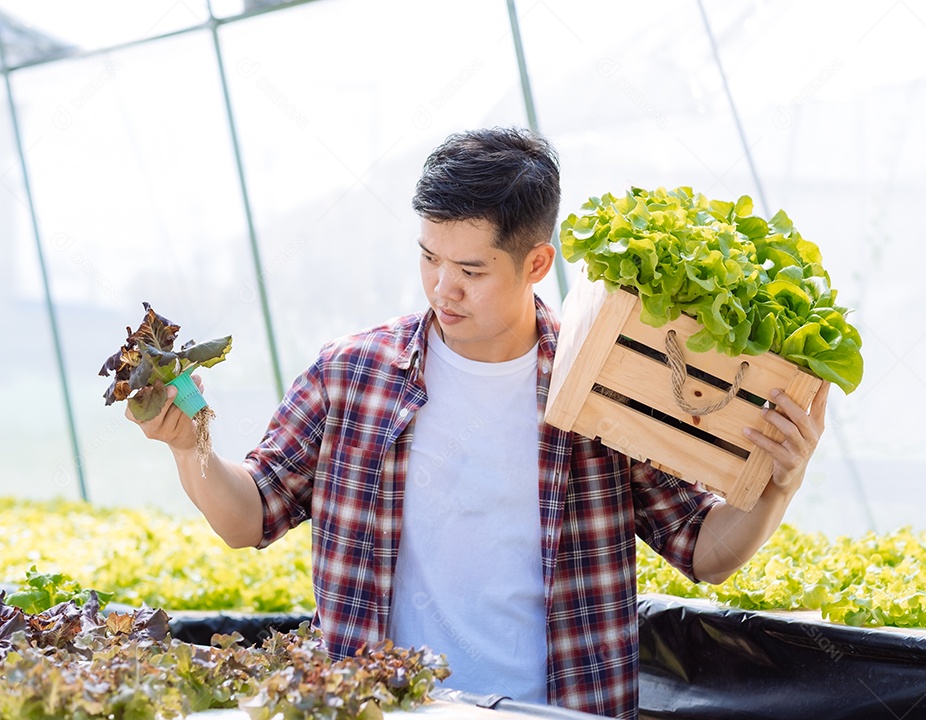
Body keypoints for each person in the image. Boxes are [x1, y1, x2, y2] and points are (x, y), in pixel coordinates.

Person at [130, 127, 829, 720]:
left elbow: (704, 550)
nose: (443, 287)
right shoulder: (352, 376)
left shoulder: (602, 388)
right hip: (389, 707)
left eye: (470, 268)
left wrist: (777, 485)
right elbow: (246, 518)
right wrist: (191, 448)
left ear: (536, 263)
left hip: (555, 710)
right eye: (429, 258)